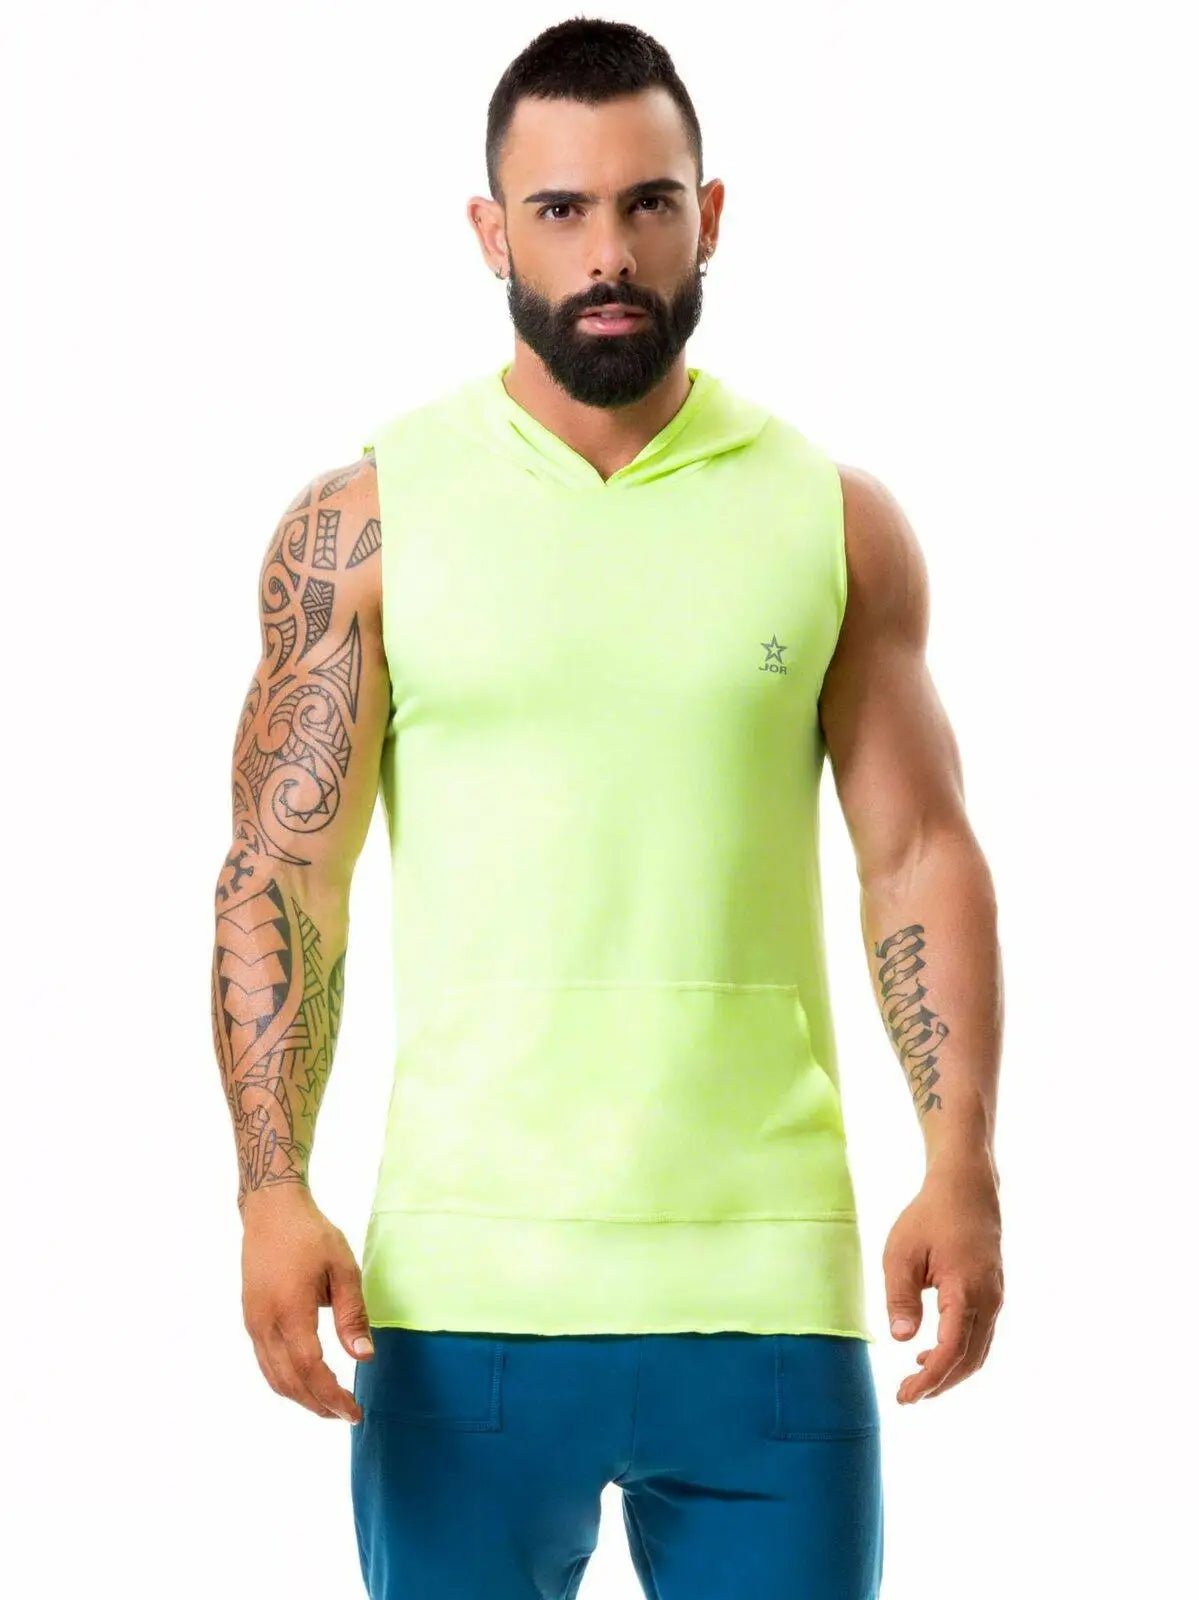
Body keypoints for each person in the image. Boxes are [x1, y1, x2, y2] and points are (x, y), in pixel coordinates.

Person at [209, 17, 1004, 1599]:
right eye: (560, 210)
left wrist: (961, 1157)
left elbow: (917, 855)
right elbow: (283, 877)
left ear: (709, 216)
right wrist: (271, 1189)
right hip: (460, 1300)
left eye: (648, 203)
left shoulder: (829, 517)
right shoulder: (367, 522)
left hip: (769, 1294)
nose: (609, 253)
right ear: (490, 232)